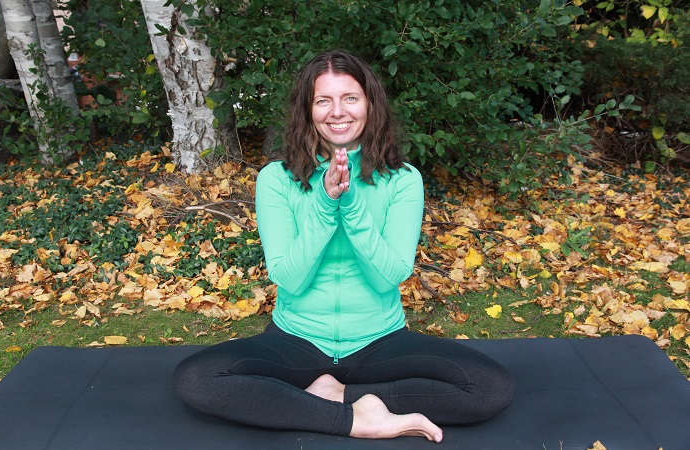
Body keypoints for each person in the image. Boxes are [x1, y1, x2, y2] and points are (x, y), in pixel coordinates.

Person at [173, 49, 513, 442]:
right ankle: (357, 419)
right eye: (323, 100)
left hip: (379, 341)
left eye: (350, 98)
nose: (338, 112)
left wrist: (349, 206)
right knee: (196, 379)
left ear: (370, 104)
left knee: (490, 388)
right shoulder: (276, 179)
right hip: (296, 340)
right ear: (307, 109)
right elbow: (290, 278)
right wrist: (324, 203)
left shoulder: (402, 180)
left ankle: (337, 395)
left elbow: (388, 277)